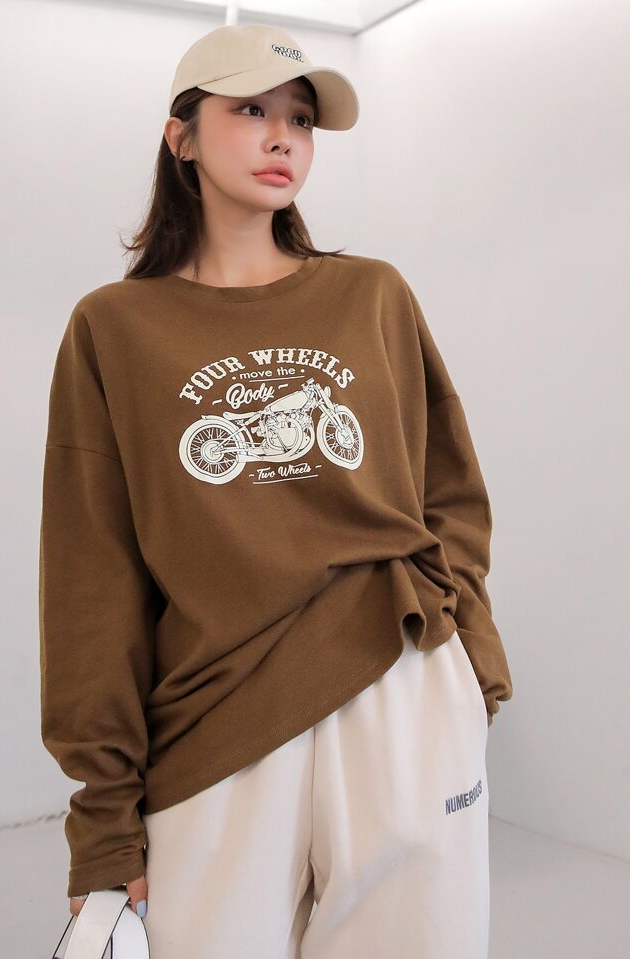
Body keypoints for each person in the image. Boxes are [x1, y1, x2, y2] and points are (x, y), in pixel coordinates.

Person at [38, 21, 513, 958]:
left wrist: (470, 664)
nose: (282, 137)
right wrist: (105, 816)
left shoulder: (372, 295)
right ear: (181, 137)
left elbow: (449, 488)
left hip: (399, 681)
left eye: (300, 118)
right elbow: (91, 574)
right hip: (219, 718)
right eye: (251, 110)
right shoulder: (115, 327)